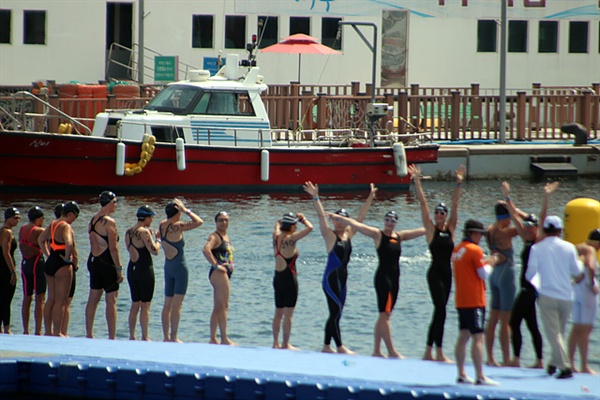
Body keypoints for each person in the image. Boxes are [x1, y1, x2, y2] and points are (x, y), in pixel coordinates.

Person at [328, 209, 425, 358]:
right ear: (384, 221)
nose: (389, 223)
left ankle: (376, 351)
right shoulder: (377, 234)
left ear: (396, 223)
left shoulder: (399, 236)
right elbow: (358, 225)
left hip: (395, 280)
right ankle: (391, 351)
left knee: (384, 316)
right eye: (387, 219)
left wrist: (438, 227)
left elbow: (420, 231)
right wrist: (342, 219)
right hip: (383, 279)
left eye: (392, 220)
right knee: (384, 315)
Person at [303, 181, 376, 354]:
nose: (338, 222)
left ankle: (326, 346)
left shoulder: (349, 233)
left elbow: (360, 219)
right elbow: (321, 216)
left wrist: (370, 197)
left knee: (337, 313)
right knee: (335, 311)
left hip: (343, 279)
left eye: (341, 219)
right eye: (336, 219)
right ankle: (340, 347)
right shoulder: (329, 235)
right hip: (330, 279)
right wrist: (315, 197)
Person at [409, 164, 465, 362]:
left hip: (447, 273)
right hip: (434, 272)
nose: (439, 215)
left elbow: (455, 205)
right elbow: (423, 204)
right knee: (440, 309)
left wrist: (458, 183)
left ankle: (432, 351)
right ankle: (434, 352)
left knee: (441, 312)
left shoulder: (450, 229)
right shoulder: (431, 230)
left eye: (442, 213)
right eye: (437, 213)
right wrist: (417, 181)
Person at [526, 215, 584, 379]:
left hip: (547, 294)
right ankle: (552, 363)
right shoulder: (569, 247)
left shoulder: (536, 248)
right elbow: (577, 272)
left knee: (553, 333)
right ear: (560, 231)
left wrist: (538, 287)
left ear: (544, 229)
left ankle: (565, 367)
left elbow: (530, 273)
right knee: (559, 332)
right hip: (566, 295)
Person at [500, 182, 544, 368]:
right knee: (532, 325)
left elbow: (542, 219)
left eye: (530, 226)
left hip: (530, 289)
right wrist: (508, 198)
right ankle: (539, 361)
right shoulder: (526, 239)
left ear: (536, 228)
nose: (526, 228)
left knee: (513, 321)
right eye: (525, 226)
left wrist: (546, 197)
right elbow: (514, 217)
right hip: (527, 289)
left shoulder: (539, 241)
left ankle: (516, 359)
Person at [452, 219, 499, 386]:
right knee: (478, 337)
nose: (481, 237)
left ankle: (461, 373)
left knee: (463, 335)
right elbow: (483, 274)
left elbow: (469, 269)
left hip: (461, 299)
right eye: (479, 234)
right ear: (473, 233)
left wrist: (484, 261)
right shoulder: (475, 249)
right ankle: (480, 375)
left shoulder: (457, 249)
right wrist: (491, 263)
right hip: (474, 300)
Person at [160, 198, 203, 342]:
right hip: (180, 268)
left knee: (167, 304)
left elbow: (158, 237)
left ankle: (165, 337)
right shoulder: (178, 226)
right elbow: (199, 222)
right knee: (177, 305)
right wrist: (186, 210)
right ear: (177, 214)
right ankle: (174, 337)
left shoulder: (161, 225)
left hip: (168, 267)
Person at [271, 212, 313, 349]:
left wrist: (282, 220)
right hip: (289, 278)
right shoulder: (292, 237)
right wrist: (303, 218)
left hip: (277, 278)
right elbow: (310, 228)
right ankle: (285, 344)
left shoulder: (275, 236)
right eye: (295, 224)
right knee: (288, 314)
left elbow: (277, 224)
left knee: (278, 312)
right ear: (292, 226)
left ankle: (275, 342)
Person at [85, 191, 123, 340]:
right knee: (111, 299)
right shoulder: (109, 222)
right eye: (115, 202)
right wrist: (119, 269)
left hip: (93, 260)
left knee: (93, 298)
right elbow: (114, 248)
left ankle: (89, 334)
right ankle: (112, 337)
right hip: (106, 262)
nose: (116, 205)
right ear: (109, 203)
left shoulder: (93, 220)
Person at [484, 202, 518, 366]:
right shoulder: (506, 231)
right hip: (506, 275)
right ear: (505, 217)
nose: (511, 221)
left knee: (493, 318)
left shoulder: (489, 230)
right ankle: (506, 359)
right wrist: (513, 207)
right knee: (506, 320)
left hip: (495, 275)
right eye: (509, 217)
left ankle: (490, 358)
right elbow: (526, 227)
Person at [38, 201, 79, 336]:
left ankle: (48, 331)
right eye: (75, 217)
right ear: (71, 214)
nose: (74, 220)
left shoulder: (53, 224)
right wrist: (68, 258)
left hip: (51, 261)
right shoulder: (65, 226)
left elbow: (41, 239)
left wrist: (48, 254)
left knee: (51, 298)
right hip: (62, 264)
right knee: (61, 300)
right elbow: (68, 243)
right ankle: (57, 332)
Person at [125, 205, 161, 341]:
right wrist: (158, 240)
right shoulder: (144, 232)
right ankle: (145, 336)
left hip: (132, 269)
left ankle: (131, 336)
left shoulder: (128, 232)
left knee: (135, 303)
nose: (151, 220)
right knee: (145, 304)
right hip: (144, 269)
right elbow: (155, 251)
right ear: (146, 217)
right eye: (151, 217)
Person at [568, 228, 599, 374]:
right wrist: (592, 283)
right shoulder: (590, 250)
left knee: (576, 328)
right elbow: (591, 266)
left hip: (575, 290)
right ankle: (584, 366)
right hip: (587, 291)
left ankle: (570, 362)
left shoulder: (577, 247)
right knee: (586, 329)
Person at [203, 211, 235, 345]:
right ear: (216, 222)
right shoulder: (215, 236)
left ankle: (213, 338)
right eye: (221, 220)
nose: (224, 223)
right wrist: (216, 265)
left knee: (218, 307)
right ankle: (224, 338)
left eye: (226, 220)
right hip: (219, 274)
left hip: (225, 273)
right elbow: (206, 249)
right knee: (224, 306)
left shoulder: (225, 236)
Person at [19, 206, 46, 335]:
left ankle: (25, 330)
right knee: (40, 297)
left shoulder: (22, 229)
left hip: (25, 263)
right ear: (38, 218)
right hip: (36, 263)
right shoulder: (39, 230)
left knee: (26, 297)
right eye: (43, 218)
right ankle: (38, 330)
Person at [1, 208, 20, 334]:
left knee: (2, 298)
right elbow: (6, 253)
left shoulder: (2, 231)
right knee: (6, 298)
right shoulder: (6, 232)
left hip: (2, 267)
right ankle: (7, 328)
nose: (18, 220)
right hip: (5, 269)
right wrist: (12, 271)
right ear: (8, 218)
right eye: (15, 218)